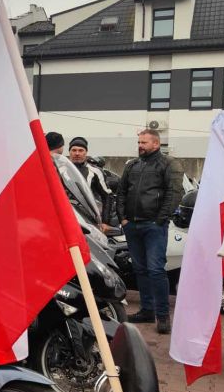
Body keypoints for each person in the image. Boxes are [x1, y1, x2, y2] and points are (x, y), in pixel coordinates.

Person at [116, 128, 182, 334]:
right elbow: (121, 192)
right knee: (140, 270)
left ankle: (162, 317)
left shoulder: (169, 164)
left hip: (154, 227)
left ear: (156, 144)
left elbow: (174, 193)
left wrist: (160, 220)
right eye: (139, 142)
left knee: (156, 270)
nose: (140, 146)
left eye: (144, 142)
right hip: (132, 226)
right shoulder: (132, 165)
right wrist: (123, 219)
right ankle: (146, 311)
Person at [67, 137, 112, 232]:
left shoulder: (95, 171)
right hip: (65, 217)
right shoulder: (59, 169)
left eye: (81, 150)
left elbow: (107, 196)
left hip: (88, 218)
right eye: (74, 150)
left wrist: (105, 222)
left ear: (86, 153)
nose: (77, 153)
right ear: (69, 152)